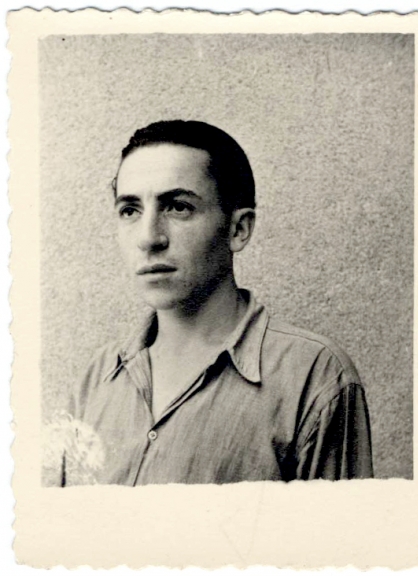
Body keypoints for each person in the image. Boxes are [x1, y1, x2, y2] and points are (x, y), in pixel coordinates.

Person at [52, 120, 373, 486]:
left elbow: (339, 541)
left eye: (178, 207)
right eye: (130, 210)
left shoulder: (315, 377)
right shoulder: (96, 379)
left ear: (238, 229)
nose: (148, 238)